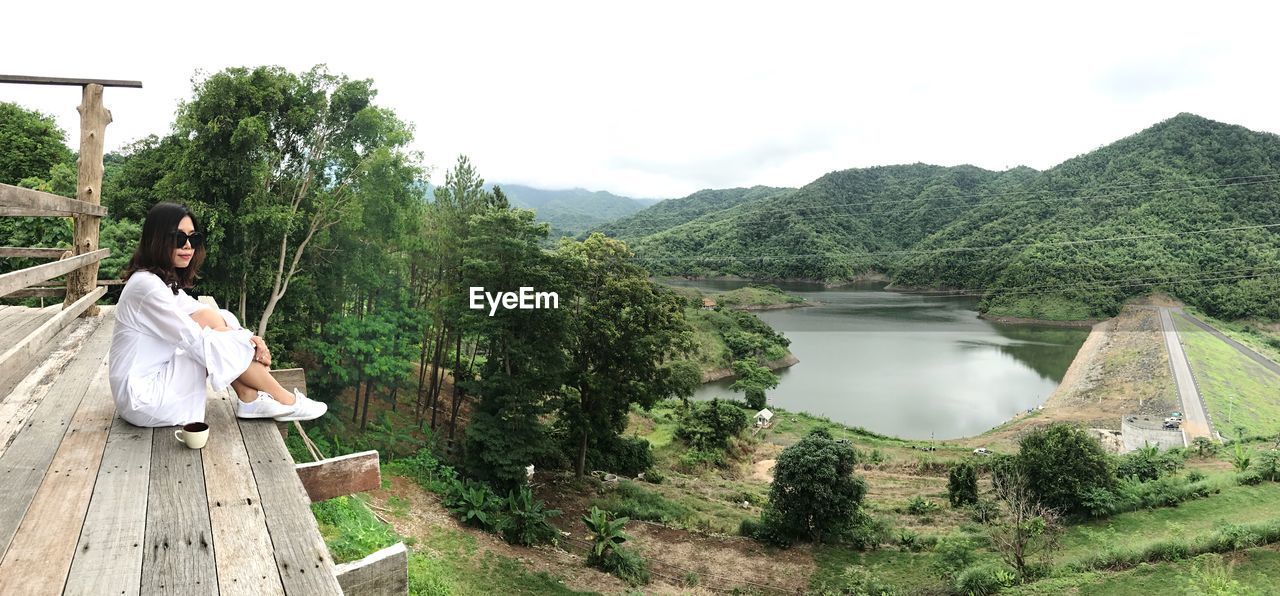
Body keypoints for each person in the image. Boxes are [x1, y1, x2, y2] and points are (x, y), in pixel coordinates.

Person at [108, 202, 327, 427]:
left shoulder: (158, 282)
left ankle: (250, 399)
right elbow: (196, 340)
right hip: (143, 397)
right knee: (212, 343)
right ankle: (286, 400)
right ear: (157, 239)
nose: (187, 246)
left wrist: (248, 338)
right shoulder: (147, 287)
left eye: (193, 238)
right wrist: (246, 346)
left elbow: (204, 313)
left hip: (145, 382)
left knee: (213, 320)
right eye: (178, 238)